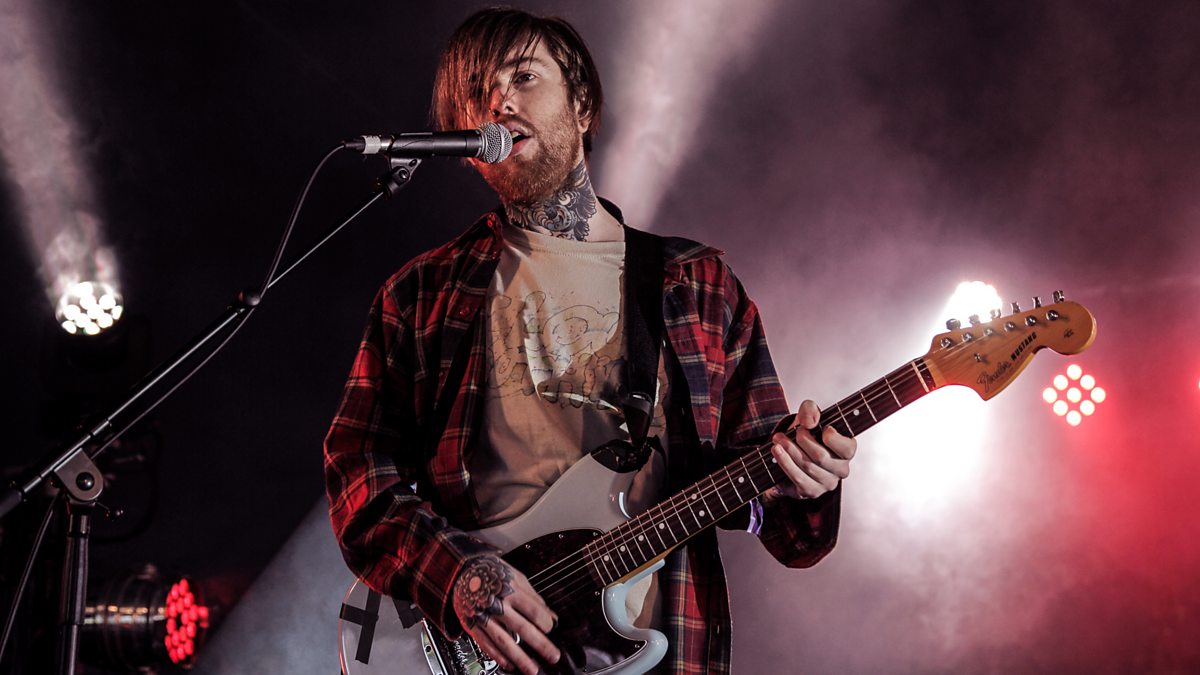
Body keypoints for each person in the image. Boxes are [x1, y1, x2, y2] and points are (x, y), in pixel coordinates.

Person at [324, 8, 856, 675]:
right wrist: (458, 575)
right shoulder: (422, 295)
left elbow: (789, 531)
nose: (499, 101)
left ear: (581, 103)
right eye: (479, 92)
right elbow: (358, 473)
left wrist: (807, 482)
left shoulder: (698, 286)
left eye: (523, 76)